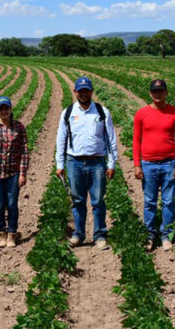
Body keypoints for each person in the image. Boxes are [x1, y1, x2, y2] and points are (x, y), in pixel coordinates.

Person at [56, 76, 118, 250]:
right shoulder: (68, 113)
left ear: (91, 91)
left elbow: (111, 139)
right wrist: (59, 164)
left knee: (98, 201)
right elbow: (61, 139)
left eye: (86, 90)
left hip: (97, 162)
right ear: (75, 92)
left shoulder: (102, 112)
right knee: (77, 200)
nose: (83, 93)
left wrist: (111, 164)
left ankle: (99, 235)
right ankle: (79, 234)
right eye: (80, 90)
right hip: (74, 162)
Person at [133, 79, 175, 252]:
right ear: (150, 93)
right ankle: (149, 234)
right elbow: (136, 140)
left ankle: (166, 235)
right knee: (149, 201)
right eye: (155, 91)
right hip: (148, 164)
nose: (157, 94)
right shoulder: (141, 114)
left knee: (169, 201)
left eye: (161, 91)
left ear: (166, 93)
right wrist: (137, 164)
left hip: (169, 164)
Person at [0, 96, 29, 248]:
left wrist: (22, 173)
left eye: (6, 108)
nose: (3, 111)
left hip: (13, 173)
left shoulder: (19, 127)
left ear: (10, 109)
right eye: (0, 108)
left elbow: (24, 152)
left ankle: (12, 234)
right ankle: (1, 233)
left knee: (12, 204)